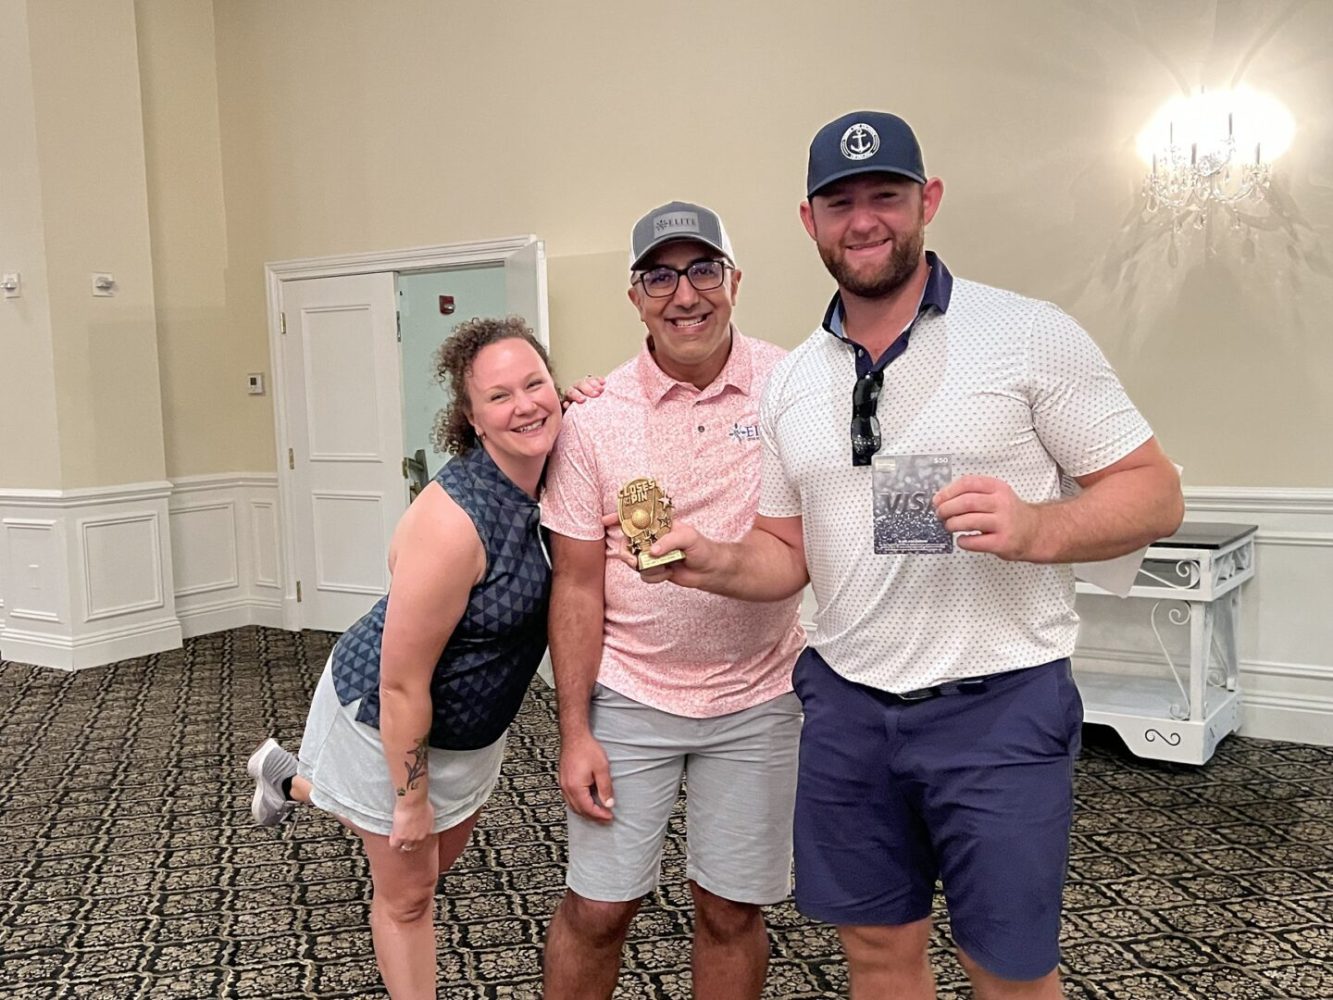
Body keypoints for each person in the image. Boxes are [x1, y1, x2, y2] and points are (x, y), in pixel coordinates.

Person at [633, 112, 1185, 1000]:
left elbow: (1154, 492)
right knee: (878, 953)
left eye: (884, 195)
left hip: (998, 705)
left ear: (926, 201)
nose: (862, 220)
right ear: (807, 221)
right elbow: (786, 553)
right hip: (849, 709)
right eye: (838, 201)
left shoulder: (1026, 333)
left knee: (1006, 969)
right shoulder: (795, 381)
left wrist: (1040, 528)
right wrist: (714, 562)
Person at [246, 316, 562, 1000]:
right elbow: (401, 681)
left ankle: (289, 779)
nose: (525, 404)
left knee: (426, 866)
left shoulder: (559, 468)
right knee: (409, 896)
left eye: (535, 383)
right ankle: (311, 781)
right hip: (384, 717)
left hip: (472, 728)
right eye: (499, 396)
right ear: (472, 419)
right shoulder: (453, 521)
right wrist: (408, 796)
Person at [539, 201, 806, 1000]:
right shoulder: (594, 419)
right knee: (599, 908)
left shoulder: (791, 388)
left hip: (759, 693)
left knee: (729, 910)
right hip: (631, 692)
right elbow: (576, 583)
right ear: (634, 295)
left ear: (733, 281)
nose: (682, 294)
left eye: (701, 270)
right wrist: (575, 729)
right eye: (659, 274)